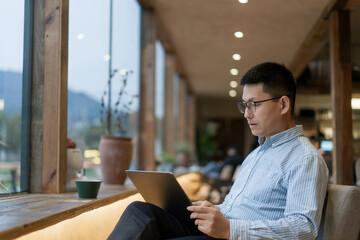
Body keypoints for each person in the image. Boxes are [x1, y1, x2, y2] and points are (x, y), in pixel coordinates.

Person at [107, 62, 329, 240]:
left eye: (254, 104)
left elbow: (304, 228)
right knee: (140, 211)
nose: (247, 114)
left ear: (283, 105)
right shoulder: (257, 154)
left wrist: (231, 229)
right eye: (244, 105)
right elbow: (237, 208)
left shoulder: (304, 157)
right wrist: (212, 210)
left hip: (234, 237)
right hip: (222, 232)